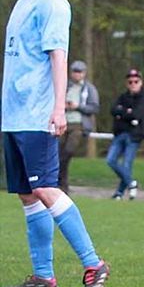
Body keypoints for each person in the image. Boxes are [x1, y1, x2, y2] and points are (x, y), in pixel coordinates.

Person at [2, 0, 110, 287]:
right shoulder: (21, 2)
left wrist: (58, 106)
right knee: (27, 195)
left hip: (38, 116)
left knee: (46, 187)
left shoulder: (53, 4)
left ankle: (93, 263)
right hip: (14, 117)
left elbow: (58, 57)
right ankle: (43, 276)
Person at [106, 68, 144, 200]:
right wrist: (128, 114)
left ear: (140, 82)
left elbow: (137, 114)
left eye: (136, 81)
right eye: (130, 82)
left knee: (126, 164)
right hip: (120, 133)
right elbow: (113, 110)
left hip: (134, 136)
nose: (133, 84)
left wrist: (122, 113)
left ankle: (119, 193)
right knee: (110, 160)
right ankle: (131, 183)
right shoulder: (122, 97)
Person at [57, 59, 100, 193]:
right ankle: (61, 184)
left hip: (79, 124)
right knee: (58, 153)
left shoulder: (89, 89)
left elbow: (94, 107)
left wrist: (78, 107)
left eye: (79, 72)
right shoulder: (65, 86)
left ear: (84, 73)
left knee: (68, 152)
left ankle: (61, 182)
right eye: (74, 71)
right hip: (63, 122)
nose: (76, 74)